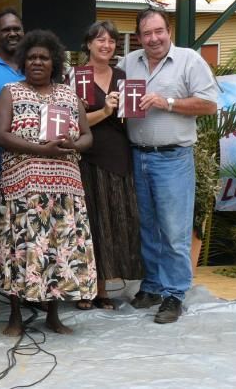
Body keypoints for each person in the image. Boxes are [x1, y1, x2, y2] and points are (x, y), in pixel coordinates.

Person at [117, 8, 218, 324]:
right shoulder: (128, 63)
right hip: (138, 156)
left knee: (174, 231)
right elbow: (110, 92)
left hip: (173, 158)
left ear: (169, 31)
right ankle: (153, 286)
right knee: (147, 227)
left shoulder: (189, 60)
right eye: (146, 33)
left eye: (158, 31)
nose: (153, 38)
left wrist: (167, 102)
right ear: (138, 36)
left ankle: (174, 294)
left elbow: (210, 103)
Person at [0, 30, 96, 336]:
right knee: (19, 249)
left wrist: (73, 144)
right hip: (23, 189)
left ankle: (53, 314)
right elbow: (0, 134)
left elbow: (89, 136)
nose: (37, 62)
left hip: (64, 190)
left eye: (44, 57)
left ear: (55, 62)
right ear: (23, 61)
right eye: (32, 57)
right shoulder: (10, 91)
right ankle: (13, 315)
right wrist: (41, 150)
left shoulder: (68, 94)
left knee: (58, 251)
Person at [75, 21, 144, 310]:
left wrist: (134, 108)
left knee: (114, 221)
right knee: (90, 224)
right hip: (88, 157)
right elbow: (74, 122)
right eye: (100, 40)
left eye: (112, 41)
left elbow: (130, 117)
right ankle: (87, 289)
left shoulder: (122, 76)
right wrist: (105, 111)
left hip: (119, 155)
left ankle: (105, 289)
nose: (106, 45)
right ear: (88, 44)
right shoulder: (76, 77)